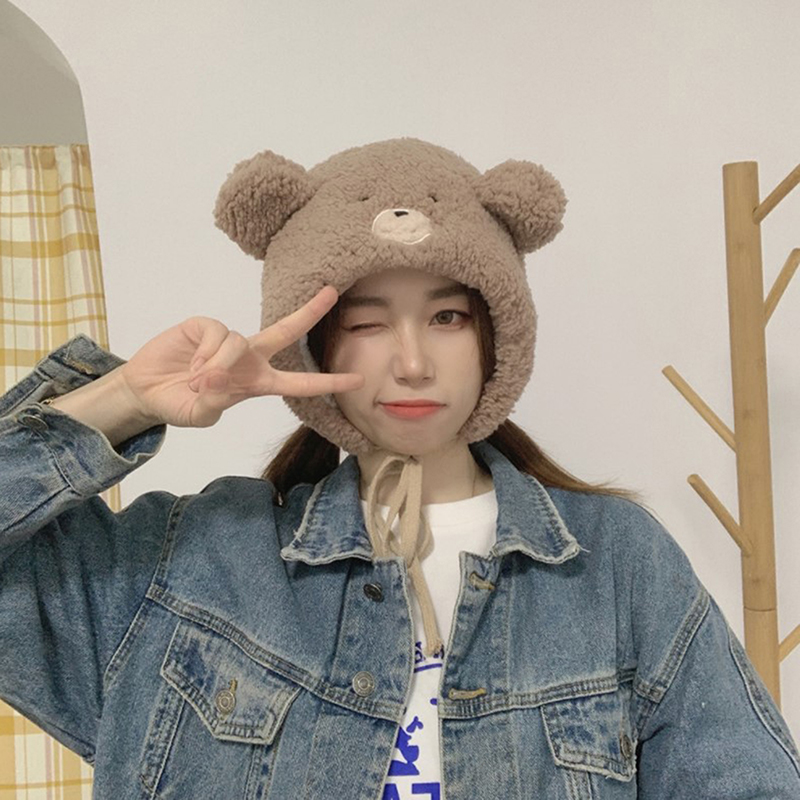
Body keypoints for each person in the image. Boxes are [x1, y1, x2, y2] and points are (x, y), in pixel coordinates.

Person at [1, 138, 799, 799]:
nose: (413, 363)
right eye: (367, 323)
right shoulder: (198, 559)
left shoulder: (616, 564)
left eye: (447, 317)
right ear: (315, 346)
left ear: (496, 337)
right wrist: (125, 398)